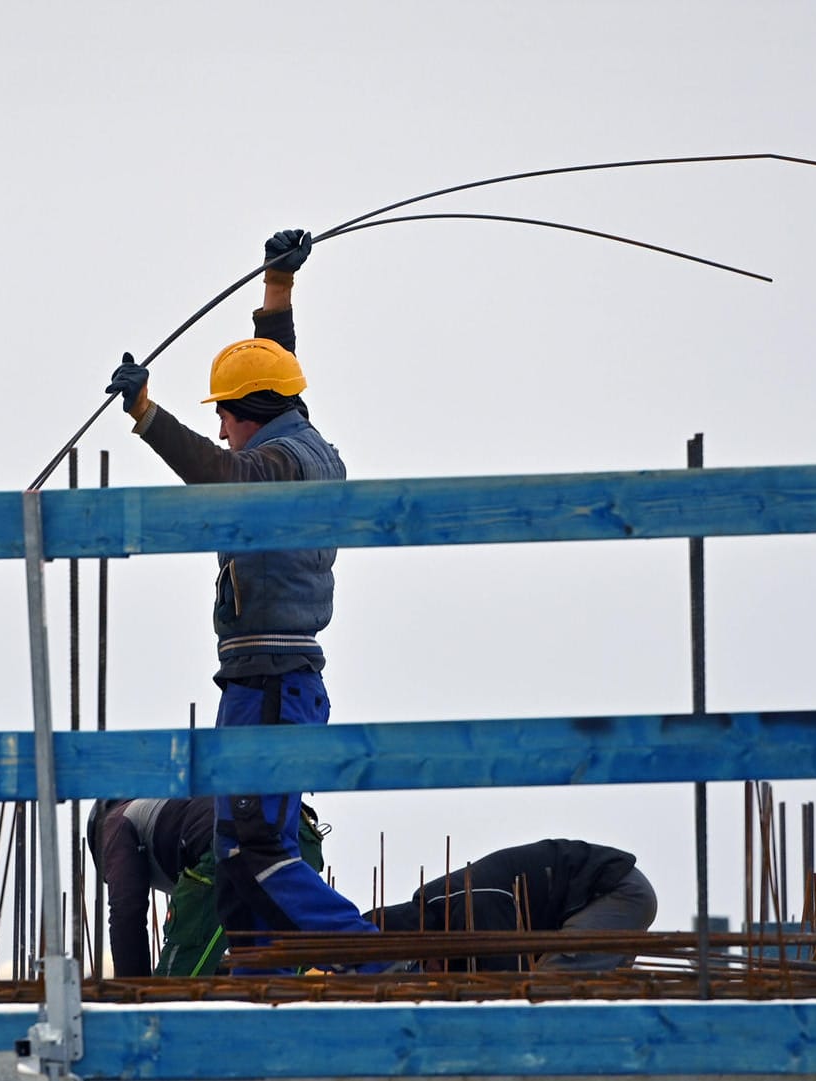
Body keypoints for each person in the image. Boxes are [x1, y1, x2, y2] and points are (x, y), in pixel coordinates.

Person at [104, 229, 383, 973]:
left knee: (259, 857)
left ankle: (384, 965)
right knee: (237, 861)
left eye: (226, 412)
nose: (221, 424)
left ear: (252, 413)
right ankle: (260, 985)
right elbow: (277, 369)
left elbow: (221, 472)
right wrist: (277, 289)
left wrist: (147, 414)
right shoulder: (303, 437)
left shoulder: (279, 464)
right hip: (262, 684)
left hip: (270, 683)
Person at [87, 796, 329, 977]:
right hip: (299, 832)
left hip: (232, 843)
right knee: (270, 981)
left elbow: (126, 911)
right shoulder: (176, 806)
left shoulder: (114, 821)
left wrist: (134, 1003)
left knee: (172, 996)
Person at [362, 839, 658, 971]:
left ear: (424, 947)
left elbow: (506, 983)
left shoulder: (472, 903)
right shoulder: (453, 907)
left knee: (549, 991)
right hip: (607, 897)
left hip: (616, 893)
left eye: (426, 968)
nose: (432, 977)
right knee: (584, 992)